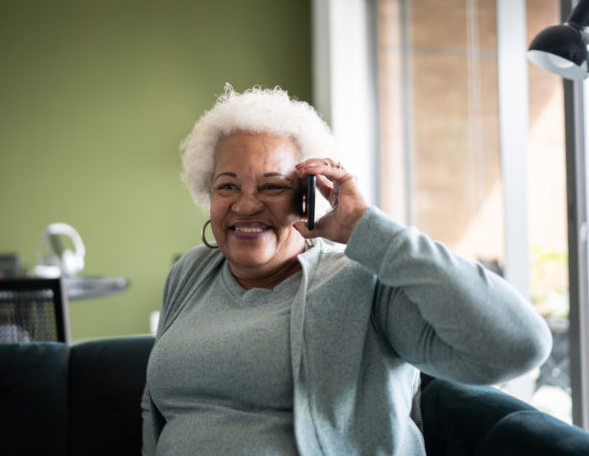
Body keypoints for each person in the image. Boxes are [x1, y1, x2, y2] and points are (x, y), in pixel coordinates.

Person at [142, 85, 552, 455]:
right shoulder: (193, 272)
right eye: (227, 186)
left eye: (272, 186)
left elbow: (520, 345)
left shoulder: (363, 282)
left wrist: (368, 229)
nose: (245, 206)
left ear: (307, 196)